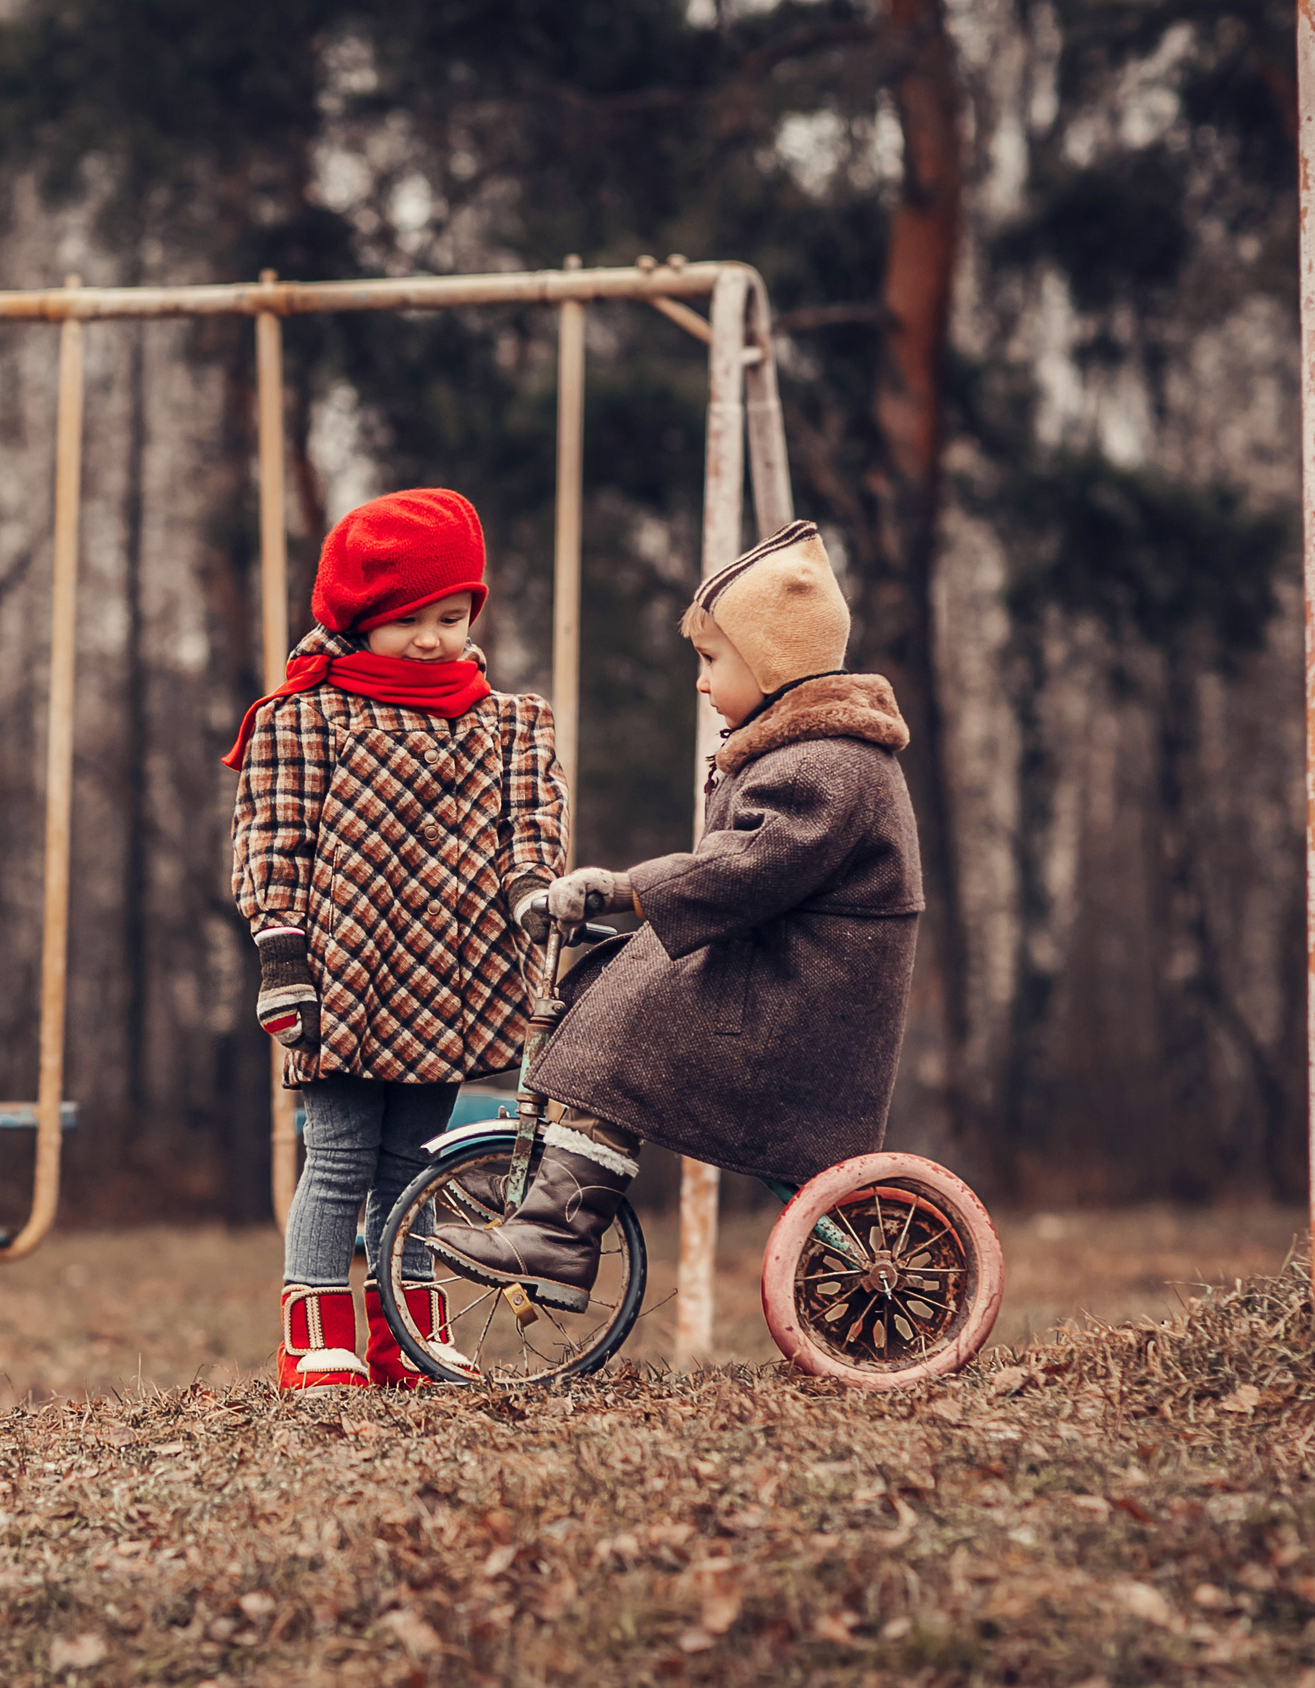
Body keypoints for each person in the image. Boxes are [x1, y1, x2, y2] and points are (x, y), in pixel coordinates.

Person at [429, 519, 923, 1305]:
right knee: (611, 984)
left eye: (710, 659)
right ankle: (550, 1197)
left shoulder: (830, 765)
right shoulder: (794, 751)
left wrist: (625, 887)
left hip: (804, 1009)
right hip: (773, 977)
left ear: (772, 662)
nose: (700, 681)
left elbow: (748, 868)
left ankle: (557, 1230)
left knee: (633, 1013)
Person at [226, 488, 566, 1388]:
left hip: (451, 978)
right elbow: (273, 838)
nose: (431, 639)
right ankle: (316, 1332)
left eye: (450, 617)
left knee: (415, 1163)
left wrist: (535, 893)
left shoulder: (506, 723)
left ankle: (408, 1330)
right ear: (356, 617)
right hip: (346, 979)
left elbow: (534, 823)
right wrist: (282, 958)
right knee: (338, 1157)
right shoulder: (307, 717)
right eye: (406, 618)